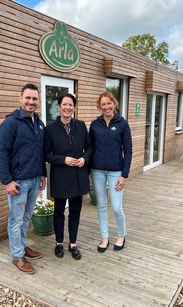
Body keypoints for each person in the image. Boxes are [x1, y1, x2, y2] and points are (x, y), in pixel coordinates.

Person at [0, 83, 46, 273]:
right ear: (21, 99)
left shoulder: (38, 123)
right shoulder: (11, 122)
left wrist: (43, 173)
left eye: (34, 98)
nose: (31, 102)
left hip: (34, 179)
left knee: (26, 217)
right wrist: (7, 181)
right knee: (15, 220)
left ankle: (22, 246)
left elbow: (40, 151)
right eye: (28, 98)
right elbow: (1, 152)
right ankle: (17, 256)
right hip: (18, 182)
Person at [44, 93, 92, 260]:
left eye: (70, 105)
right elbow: (46, 155)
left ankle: (73, 243)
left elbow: (89, 148)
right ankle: (58, 243)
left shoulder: (80, 125)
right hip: (60, 177)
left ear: (74, 107)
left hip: (78, 176)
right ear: (59, 107)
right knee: (58, 212)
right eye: (64, 104)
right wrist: (63, 159)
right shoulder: (49, 129)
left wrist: (84, 159)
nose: (67, 107)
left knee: (75, 212)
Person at [89, 91, 132, 253]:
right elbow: (90, 149)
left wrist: (124, 175)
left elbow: (128, 151)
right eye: (103, 104)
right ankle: (105, 237)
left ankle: (121, 234)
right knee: (101, 205)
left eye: (109, 103)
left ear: (114, 104)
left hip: (116, 172)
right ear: (99, 106)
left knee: (115, 207)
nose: (106, 107)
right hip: (97, 170)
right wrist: (88, 172)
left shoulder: (122, 123)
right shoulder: (95, 125)